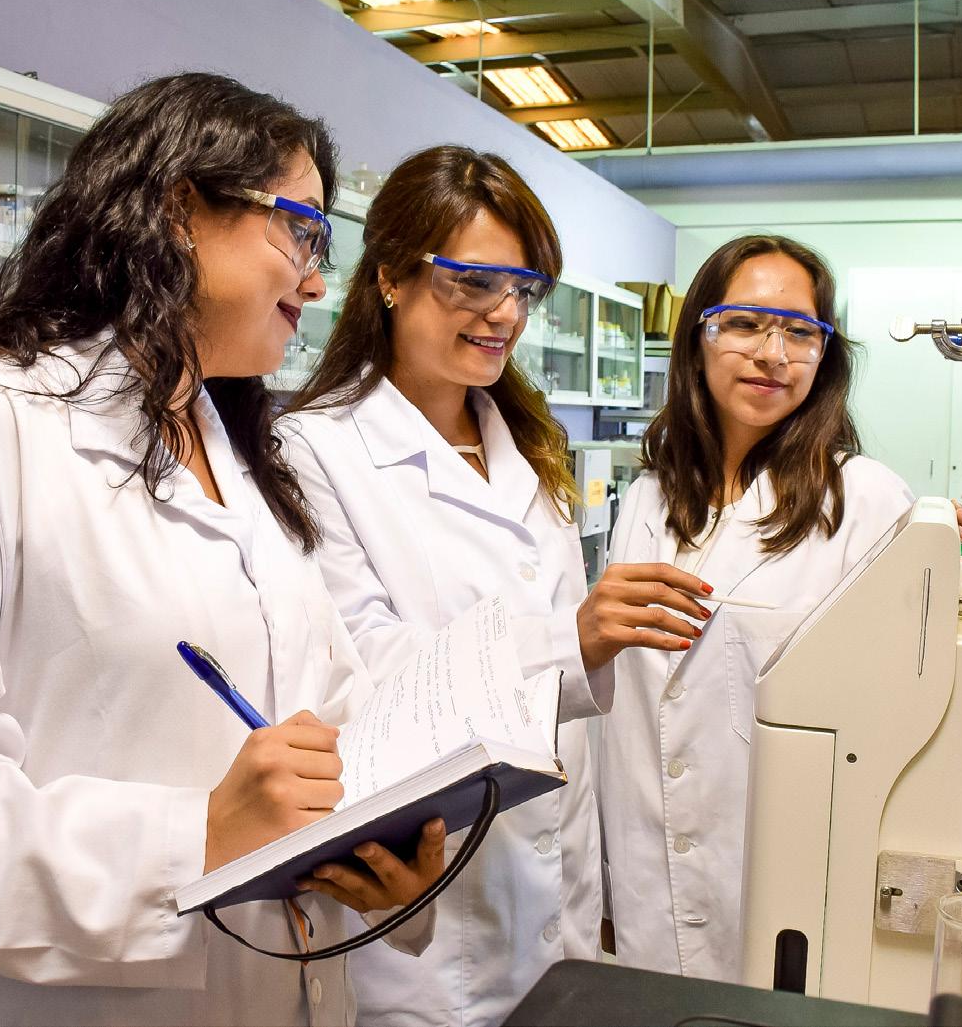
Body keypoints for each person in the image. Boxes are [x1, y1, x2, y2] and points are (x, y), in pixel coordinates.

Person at [0, 72, 445, 1027]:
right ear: (178, 211)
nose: (317, 281)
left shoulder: (245, 458)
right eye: (301, 231)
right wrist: (197, 836)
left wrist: (379, 844)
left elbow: (326, 709)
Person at [283, 145, 709, 1027]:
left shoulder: (527, 442)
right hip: (430, 929)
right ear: (390, 277)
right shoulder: (316, 449)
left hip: (557, 903)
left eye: (523, 288)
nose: (505, 313)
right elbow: (364, 672)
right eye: (474, 281)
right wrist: (570, 641)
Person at [593, 233, 947, 984]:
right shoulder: (651, 496)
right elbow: (624, 709)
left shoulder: (865, 503)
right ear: (698, 337)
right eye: (746, 324)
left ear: (825, 354)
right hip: (644, 883)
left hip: (781, 891)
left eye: (800, 331)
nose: (773, 354)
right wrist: (603, 883)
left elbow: (898, 726)